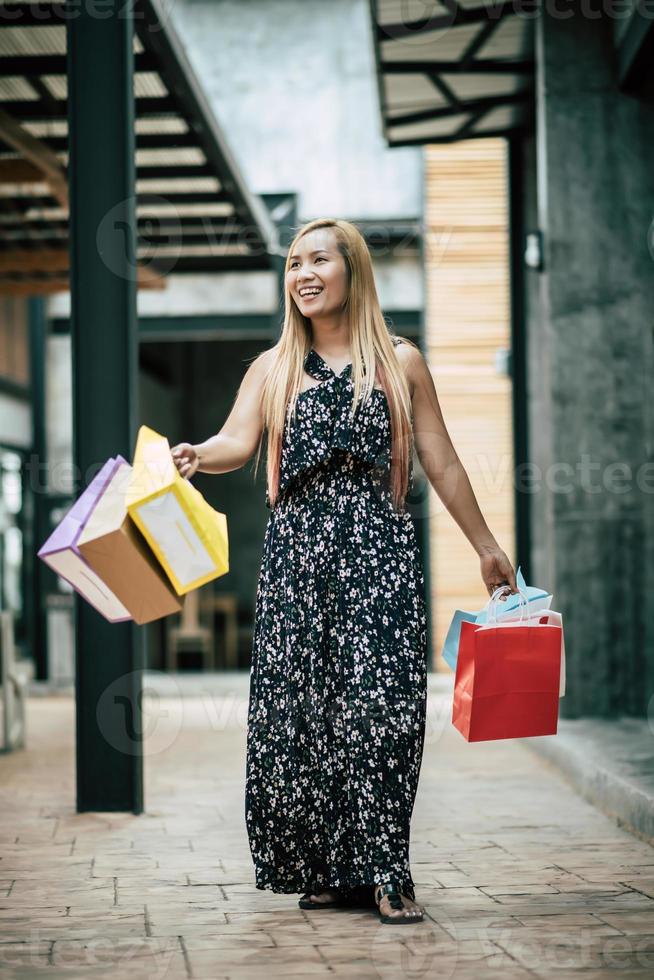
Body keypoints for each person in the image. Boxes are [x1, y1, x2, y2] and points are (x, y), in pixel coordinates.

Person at [171, 217, 517, 924]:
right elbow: (238, 441)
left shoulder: (399, 361)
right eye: (293, 262)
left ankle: (388, 868)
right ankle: (326, 866)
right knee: (303, 716)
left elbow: (441, 460)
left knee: (383, 709)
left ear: (352, 271)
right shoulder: (274, 367)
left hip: (378, 554)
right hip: (297, 560)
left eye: (318, 260)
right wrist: (198, 456)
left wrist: (484, 545)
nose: (302, 273)